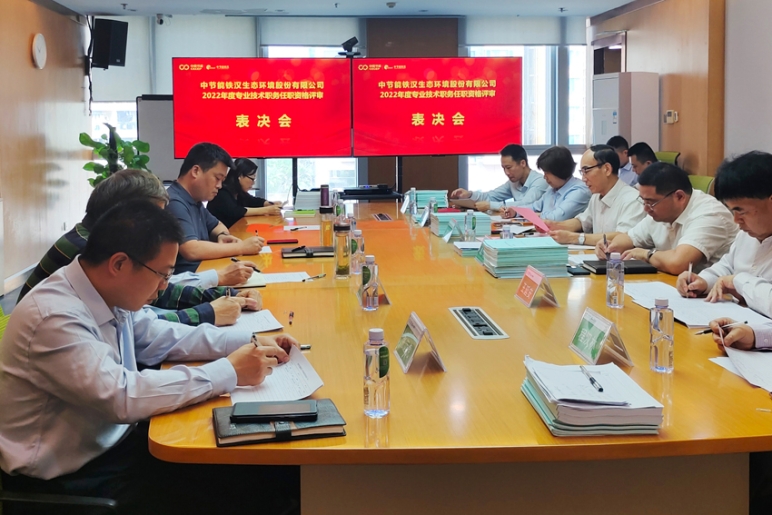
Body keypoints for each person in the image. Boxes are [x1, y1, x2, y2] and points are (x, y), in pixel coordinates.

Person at [0, 200, 299, 514]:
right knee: (252, 491)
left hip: (116, 445)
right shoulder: (54, 316)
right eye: (162, 274)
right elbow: (122, 395)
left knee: (266, 472)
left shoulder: (105, 291)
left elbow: (163, 336)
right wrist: (229, 371)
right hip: (73, 479)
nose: (164, 287)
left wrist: (250, 340)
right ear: (119, 264)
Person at [17, 169, 260, 327]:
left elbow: (158, 293)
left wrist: (221, 296)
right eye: (151, 220)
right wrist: (209, 311)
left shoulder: (91, 238)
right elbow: (140, 324)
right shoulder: (90, 252)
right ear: (123, 215)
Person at [676, 151, 772, 317]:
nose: (736, 220)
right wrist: (704, 281)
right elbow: (727, 266)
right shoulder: (747, 235)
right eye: (732, 211)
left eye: (741, 211)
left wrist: (738, 281)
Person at [596, 162, 738, 275]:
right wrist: (611, 247)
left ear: (679, 197)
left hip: (715, 294)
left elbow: (679, 264)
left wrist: (646, 254)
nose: (646, 208)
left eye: (651, 202)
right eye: (643, 201)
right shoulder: (659, 212)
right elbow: (629, 238)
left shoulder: (709, 214)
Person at [166, 143, 266, 275]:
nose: (219, 186)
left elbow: (217, 225)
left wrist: (222, 235)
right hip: (188, 281)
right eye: (217, 178)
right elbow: (191, 250)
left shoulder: (195, 201)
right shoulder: (174, 201)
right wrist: (241, 247)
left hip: (204, 271)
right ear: (196, 171)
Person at [547, 145, 646, 246]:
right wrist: (554, 225)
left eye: (586, 171)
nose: (583, 179)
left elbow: (623, 236)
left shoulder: (632, 200)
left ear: (607, 169)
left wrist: (574, 238)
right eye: (582, 172)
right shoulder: (596, 195)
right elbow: (582, 221)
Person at [449, 143, 548, 212]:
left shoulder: (540, 181)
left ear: (522, 163)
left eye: (509, 167)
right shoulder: (513, 182)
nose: (506, 172)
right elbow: (491, 196)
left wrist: (490, 206)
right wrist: (469, 194)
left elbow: (525, 204)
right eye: (503, 168)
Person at [502, 146, 590, 221]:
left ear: (559, 171)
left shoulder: (580, 191)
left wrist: (537, 215)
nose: (544, 177)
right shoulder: (552, 189)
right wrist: (516, 211)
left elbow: (556, 218)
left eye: (547, 173)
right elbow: (535, 206)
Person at [207, 158, 283, 228]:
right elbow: (236, 211)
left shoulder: (239, 192)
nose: (253, 183)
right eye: (252, 179)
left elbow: (252, 201)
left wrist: (269, 203)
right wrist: (267, 210)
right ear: (240, 176)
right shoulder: (221, 192)